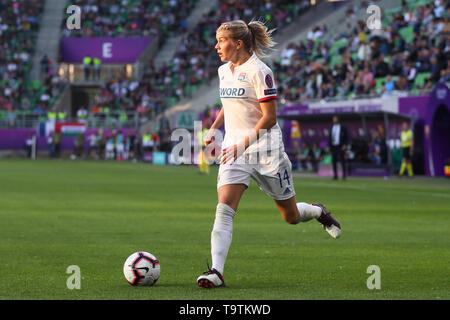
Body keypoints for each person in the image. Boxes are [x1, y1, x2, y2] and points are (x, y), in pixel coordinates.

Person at [196, 20, 341, 289]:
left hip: (266, 151)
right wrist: (214, 128)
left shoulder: (260, 72)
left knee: (290, 216)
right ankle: (216, 272)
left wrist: (243, 144)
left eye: (221, 41)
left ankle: (318, 211)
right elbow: (229, 103)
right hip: (234, 151)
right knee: (224, 209)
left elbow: (270, 118)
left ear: (238, 43)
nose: (216, 46)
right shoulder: (223, 71)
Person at [328, 115, 348, 180]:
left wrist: (345, 145)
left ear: (338, 120)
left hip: (340, 146)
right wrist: (329, 146)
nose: (334, 120)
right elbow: (329, 137)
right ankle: (335, 175)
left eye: (335, 119)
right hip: (333, 146)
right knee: (334, 161)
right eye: (333, 119)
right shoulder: (331, 127)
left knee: (342, 161)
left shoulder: (343, 127)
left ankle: (344, 175)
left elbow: (346, 137)